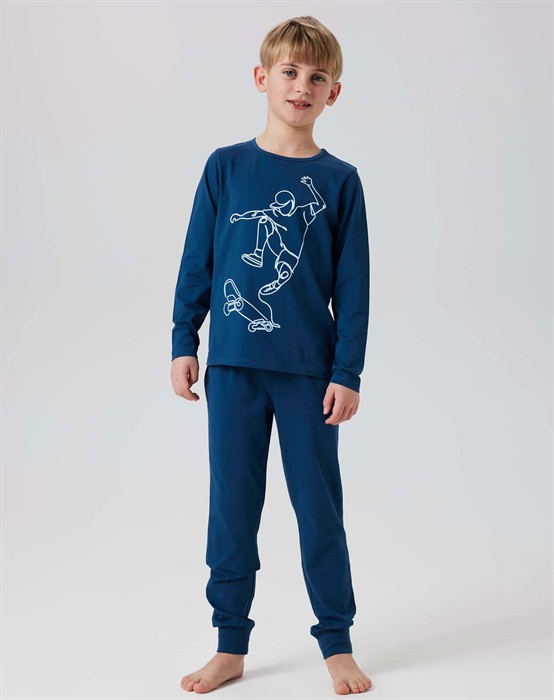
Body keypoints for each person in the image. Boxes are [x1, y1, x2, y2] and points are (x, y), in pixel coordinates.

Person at [170, 15, 372, 696]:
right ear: (262, 78)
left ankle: (336, 642)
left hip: (308, 372)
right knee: (232, 508)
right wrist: (183, 340)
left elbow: (354, 286)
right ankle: (229, 644)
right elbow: (197, 261)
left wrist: (347, 372)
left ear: (333, 93)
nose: (301, 86)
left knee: (319, 510)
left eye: (317, 77)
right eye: (289, 72)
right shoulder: (225, 167)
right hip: (232, 367)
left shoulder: (339, 182)